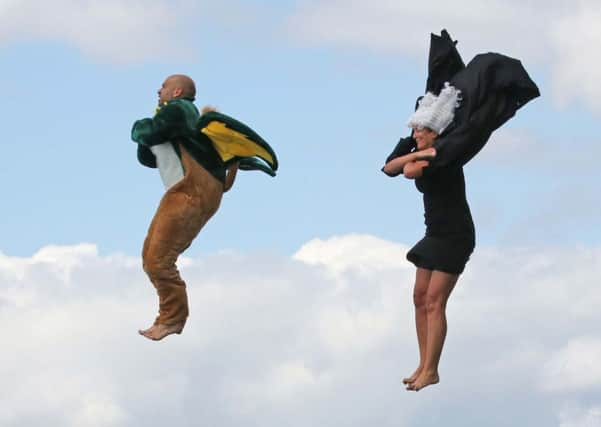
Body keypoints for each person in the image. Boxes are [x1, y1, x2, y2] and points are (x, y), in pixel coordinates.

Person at [382, 30, 539, 391]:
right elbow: (389, 167)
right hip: (434, 233)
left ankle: (432, 370)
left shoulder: (448, 154)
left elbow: (406, 170)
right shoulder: (428, 150)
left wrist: (419, 154)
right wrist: (418, 148)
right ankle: (421, 364)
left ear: (436, 131)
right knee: (418, 297)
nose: (415, 132)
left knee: (435, 301)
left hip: (455, 235)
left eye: (421, 129)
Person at [131, 74, 239, 341]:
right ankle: (170, 317)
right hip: (186, 195)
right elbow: (148, 157)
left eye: (164, 86)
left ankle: (171, 319)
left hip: (191, 193)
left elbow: (145, 132)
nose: (158, 90)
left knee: (158, 261)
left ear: (177, 92)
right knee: (150, 259)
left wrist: (140, 127)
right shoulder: (176, 120)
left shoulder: (180, 110)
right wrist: (148, 139)